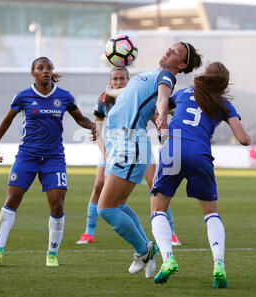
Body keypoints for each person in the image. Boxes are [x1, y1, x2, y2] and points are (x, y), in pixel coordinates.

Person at [97, 42, 202, 278]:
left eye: (175, 52)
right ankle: (147, 248)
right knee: (119, 206)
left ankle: (142, 251)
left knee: (105, 210)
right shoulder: (152, 74)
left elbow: (163, 96)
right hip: (120, 142)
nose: (168, 51)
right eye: (170, 47)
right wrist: (111, 92)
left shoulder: (165, 77)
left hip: (130, 144)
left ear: (182, 65)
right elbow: (130, 94)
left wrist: (163, 112)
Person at [0, 57, 96, 267]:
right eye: (40, 68)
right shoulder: (23, 96)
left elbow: (80, 119)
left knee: (57, 205)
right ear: (33, 72)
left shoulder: (64, 97)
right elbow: (7, 120)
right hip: (27, 156)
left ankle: (51, 255)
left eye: (48, 68)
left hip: (54, 158)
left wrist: (92, 126)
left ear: (52, 71)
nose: (45, 71)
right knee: (11, 200)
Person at [150, 62, 251, 287]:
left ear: (204, 76)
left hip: (174, 149)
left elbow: (160, 107)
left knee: (157, 210)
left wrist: (162, 118)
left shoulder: (185, 92)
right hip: (200, 153)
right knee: (211, 215)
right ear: (224, 84)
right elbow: (244, 139)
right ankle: (219, 265)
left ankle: (168, 260)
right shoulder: (224, 104)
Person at [76, 67, 181, 246]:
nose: (118, 82)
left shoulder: (134, 95)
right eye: (115, 79)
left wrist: (163, 119)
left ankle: (169, 233)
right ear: (110, 81)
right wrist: (105, 154)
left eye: (122, 79)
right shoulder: (104, 99)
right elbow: (99, 128)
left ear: (128, 80)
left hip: (136, 142)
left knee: (155, 185)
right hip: (112, 146)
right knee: (99, 186)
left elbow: (154, 114)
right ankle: (89, 232)